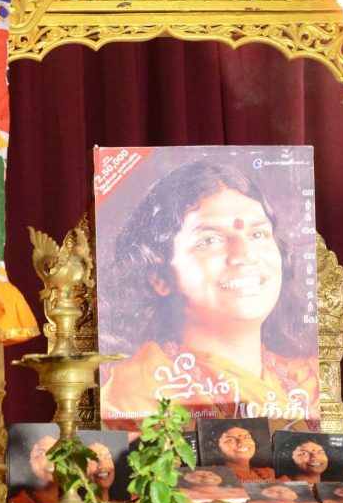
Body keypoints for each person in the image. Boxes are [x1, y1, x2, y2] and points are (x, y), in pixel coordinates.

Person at [100, 160, 319, 427]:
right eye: (210, 240)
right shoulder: (136, 396)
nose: (245, 255)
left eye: (258, 234)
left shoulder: (309, 382)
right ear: (158, 277)